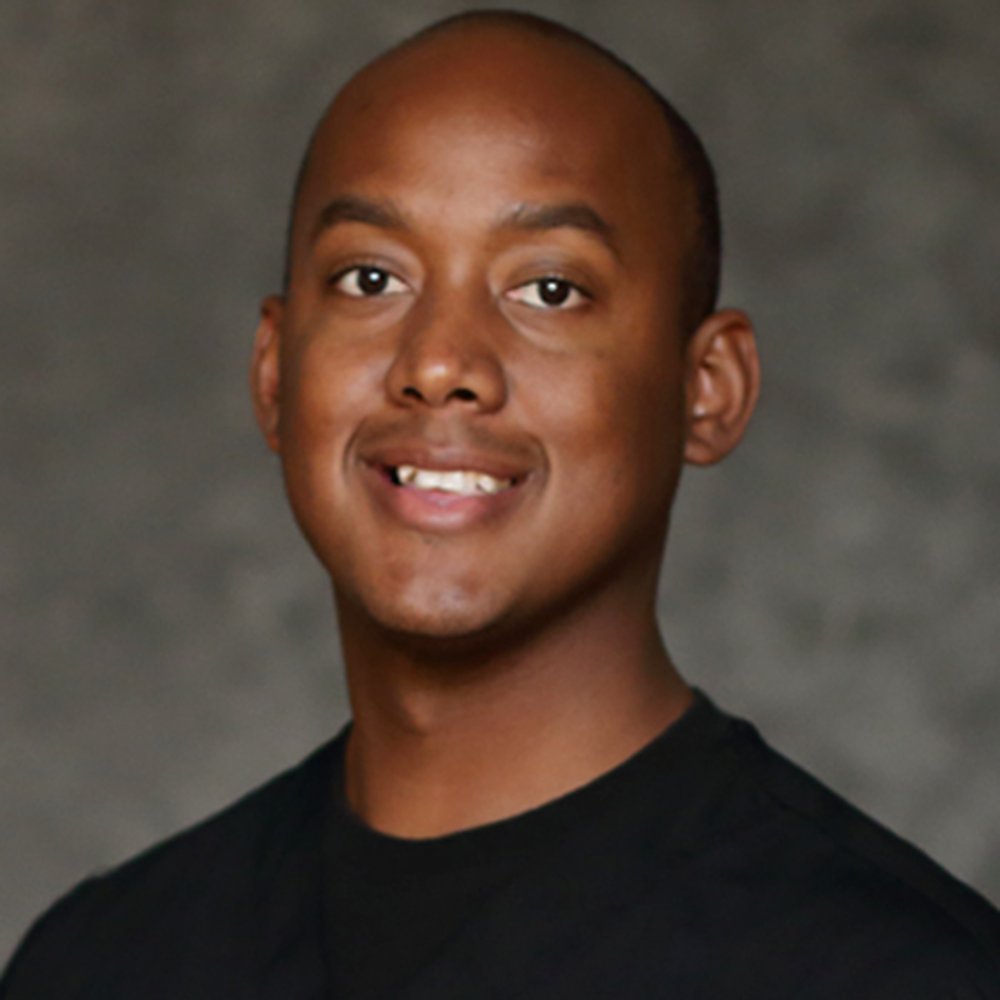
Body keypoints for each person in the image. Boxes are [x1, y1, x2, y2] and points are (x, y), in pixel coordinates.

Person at [2, 10, 998, 999]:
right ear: (274, 372)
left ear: (707, 389)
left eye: (550, 290)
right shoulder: (97, 965)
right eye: (370, 277)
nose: (439, 362)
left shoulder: (903, 974)